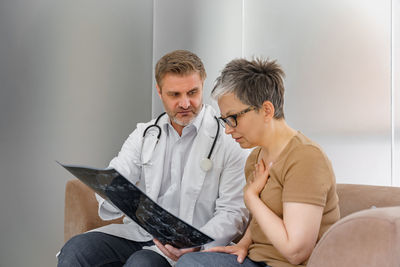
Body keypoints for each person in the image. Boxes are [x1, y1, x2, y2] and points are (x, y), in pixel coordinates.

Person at [57, 50, 249, 267]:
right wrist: (109, 188)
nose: (185, 103)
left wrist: (196, 243)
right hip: (139, 234)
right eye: (175, 95)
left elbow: (233, 212)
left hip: (190, 246)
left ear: (202, 85)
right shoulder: (145, 133)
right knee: (77, 249)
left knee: (142, 263)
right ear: (159, 91)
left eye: (192, 92)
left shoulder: (228, 137)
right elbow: (118, 174)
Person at [176, 58, 340, 267]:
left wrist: (251, 197)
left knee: (192, 265)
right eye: (225, 120)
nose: (227, 129)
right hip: (256, 261)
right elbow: (262, 220)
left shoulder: (306, 158)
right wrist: (244, 243)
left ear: (266, 110)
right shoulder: (256, 157)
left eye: (233, 117)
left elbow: (296, 252)